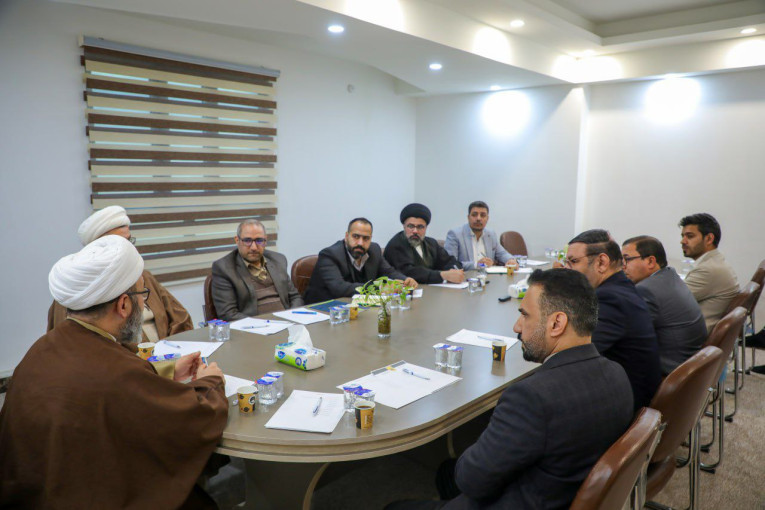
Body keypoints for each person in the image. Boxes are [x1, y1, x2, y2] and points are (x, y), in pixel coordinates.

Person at [0, 235, 228, 508]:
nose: (145, 304)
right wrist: (210, 382)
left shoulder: (42, 348)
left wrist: (166, 371)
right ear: (123, 305)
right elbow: (195, 418)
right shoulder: (116, 373)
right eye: (143, 296)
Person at [385, 269, 633, 510]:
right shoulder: (618, 374)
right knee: (447, 471)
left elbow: (470, 480)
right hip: (561, 489)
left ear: (556, 323)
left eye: (525, 315)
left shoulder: (532, 397)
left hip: (519, 499)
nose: (516, 326)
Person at [47, 205, 193, 342]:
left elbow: (180, 318)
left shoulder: (143, 277)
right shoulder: (76, 295)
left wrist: (173, 352)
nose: (130, 249)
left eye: (129, 242)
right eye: (120, 244)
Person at [566, 229, 661, 411]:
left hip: (625, 403)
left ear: (602, 262)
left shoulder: (610, 299)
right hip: (629, 388)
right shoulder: (621, 287)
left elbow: (574, 351)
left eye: (574, 261)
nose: (567, 269)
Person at [622, 236, 707, 375]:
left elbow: (626, 334)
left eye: (627, 259)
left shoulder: (646, 290)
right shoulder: (669, 276)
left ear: (650, 261)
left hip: (669, 370)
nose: (623, 266)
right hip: (689, 363)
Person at [304, 218, 418, 304]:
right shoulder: (329, 255)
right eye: (356, 236)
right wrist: (381, 288)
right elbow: (340, 288)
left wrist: (405, 280)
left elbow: (389, 271)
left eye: (366, 238)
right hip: (323, 310)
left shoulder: (374, 250)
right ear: (346, 236)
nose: (360, 243)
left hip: (356, 308)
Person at [211, 219, 303, 321]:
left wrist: (291, 317)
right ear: (237, 240)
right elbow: (228, 314)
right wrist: (266, 324)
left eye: (259, 240)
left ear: (265, 240)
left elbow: (295, 297)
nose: (254, 247)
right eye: (247, 241)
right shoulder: (224, 268)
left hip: (287, 322)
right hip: (254, 327)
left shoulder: (278, 260)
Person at [679, 213, 739, 332]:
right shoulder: (715, 262)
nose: (682, 241)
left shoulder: (708, 270)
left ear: (709, 239)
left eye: (690, 236)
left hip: (691, 335)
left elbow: (671, 301)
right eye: (682, 236)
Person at [384, 203, 465, 284]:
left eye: (420, 227)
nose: (415, 231)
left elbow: (449, 261)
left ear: (426, 227)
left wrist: (455, 271)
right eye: (411, 226)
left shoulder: (431, 243)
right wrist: (442, 275)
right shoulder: (396, 245)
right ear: (404, 226)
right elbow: (409, 272)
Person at [444, 201, 515, 270]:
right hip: (465, 276)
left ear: (487, 218)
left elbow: (502, 254)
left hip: (488, 276)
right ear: (468, 217)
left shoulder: (490, 234)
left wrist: (511, 260)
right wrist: (477, 264)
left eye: (483, 215)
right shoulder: (455, 234)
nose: (478, 218)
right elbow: (450, 264)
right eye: (474, 215)